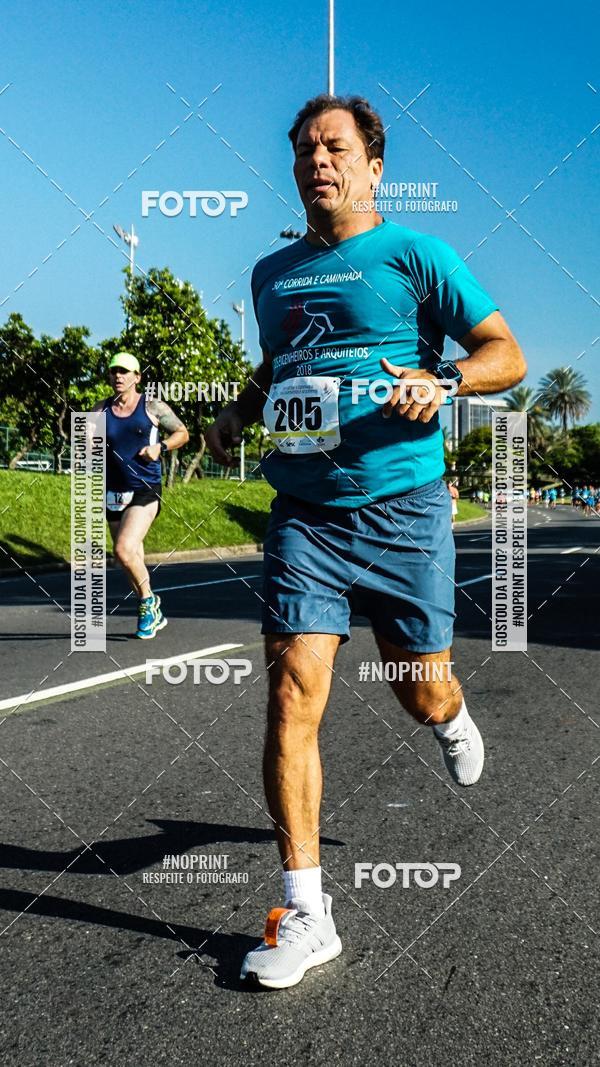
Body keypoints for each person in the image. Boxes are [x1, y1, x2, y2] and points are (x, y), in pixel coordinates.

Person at [206, 94, 526, 990]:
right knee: (294, 689)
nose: (318, 160)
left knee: (419, 688)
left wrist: (448, 380)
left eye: (335, 147)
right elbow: (280, 364)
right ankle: (308, 912)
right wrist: (235, 415)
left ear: (374, 166)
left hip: (403, 507)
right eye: (305, 148)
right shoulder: (271, 273)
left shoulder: (417, 255)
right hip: (305, 512)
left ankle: (450, 715)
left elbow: (507, 351)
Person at [94, 352, 189, 638]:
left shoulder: (152, 407)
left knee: (122, 549)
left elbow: (182, 433)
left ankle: (148, 601)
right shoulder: (101, 409)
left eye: (124, 372)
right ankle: (150, 607)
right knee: (130, 556)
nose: (118, 376)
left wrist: (160, 447)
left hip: (145, 490)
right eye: (113, 372)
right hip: (113, 492)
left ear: (137, 377)